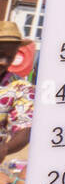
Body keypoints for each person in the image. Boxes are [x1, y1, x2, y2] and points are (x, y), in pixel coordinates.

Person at [0, 23, 34, 166]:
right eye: (0, 54)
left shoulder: (20, 88)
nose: (4, 62)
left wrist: (5, 148)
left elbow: (25, 128)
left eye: (10, 57)